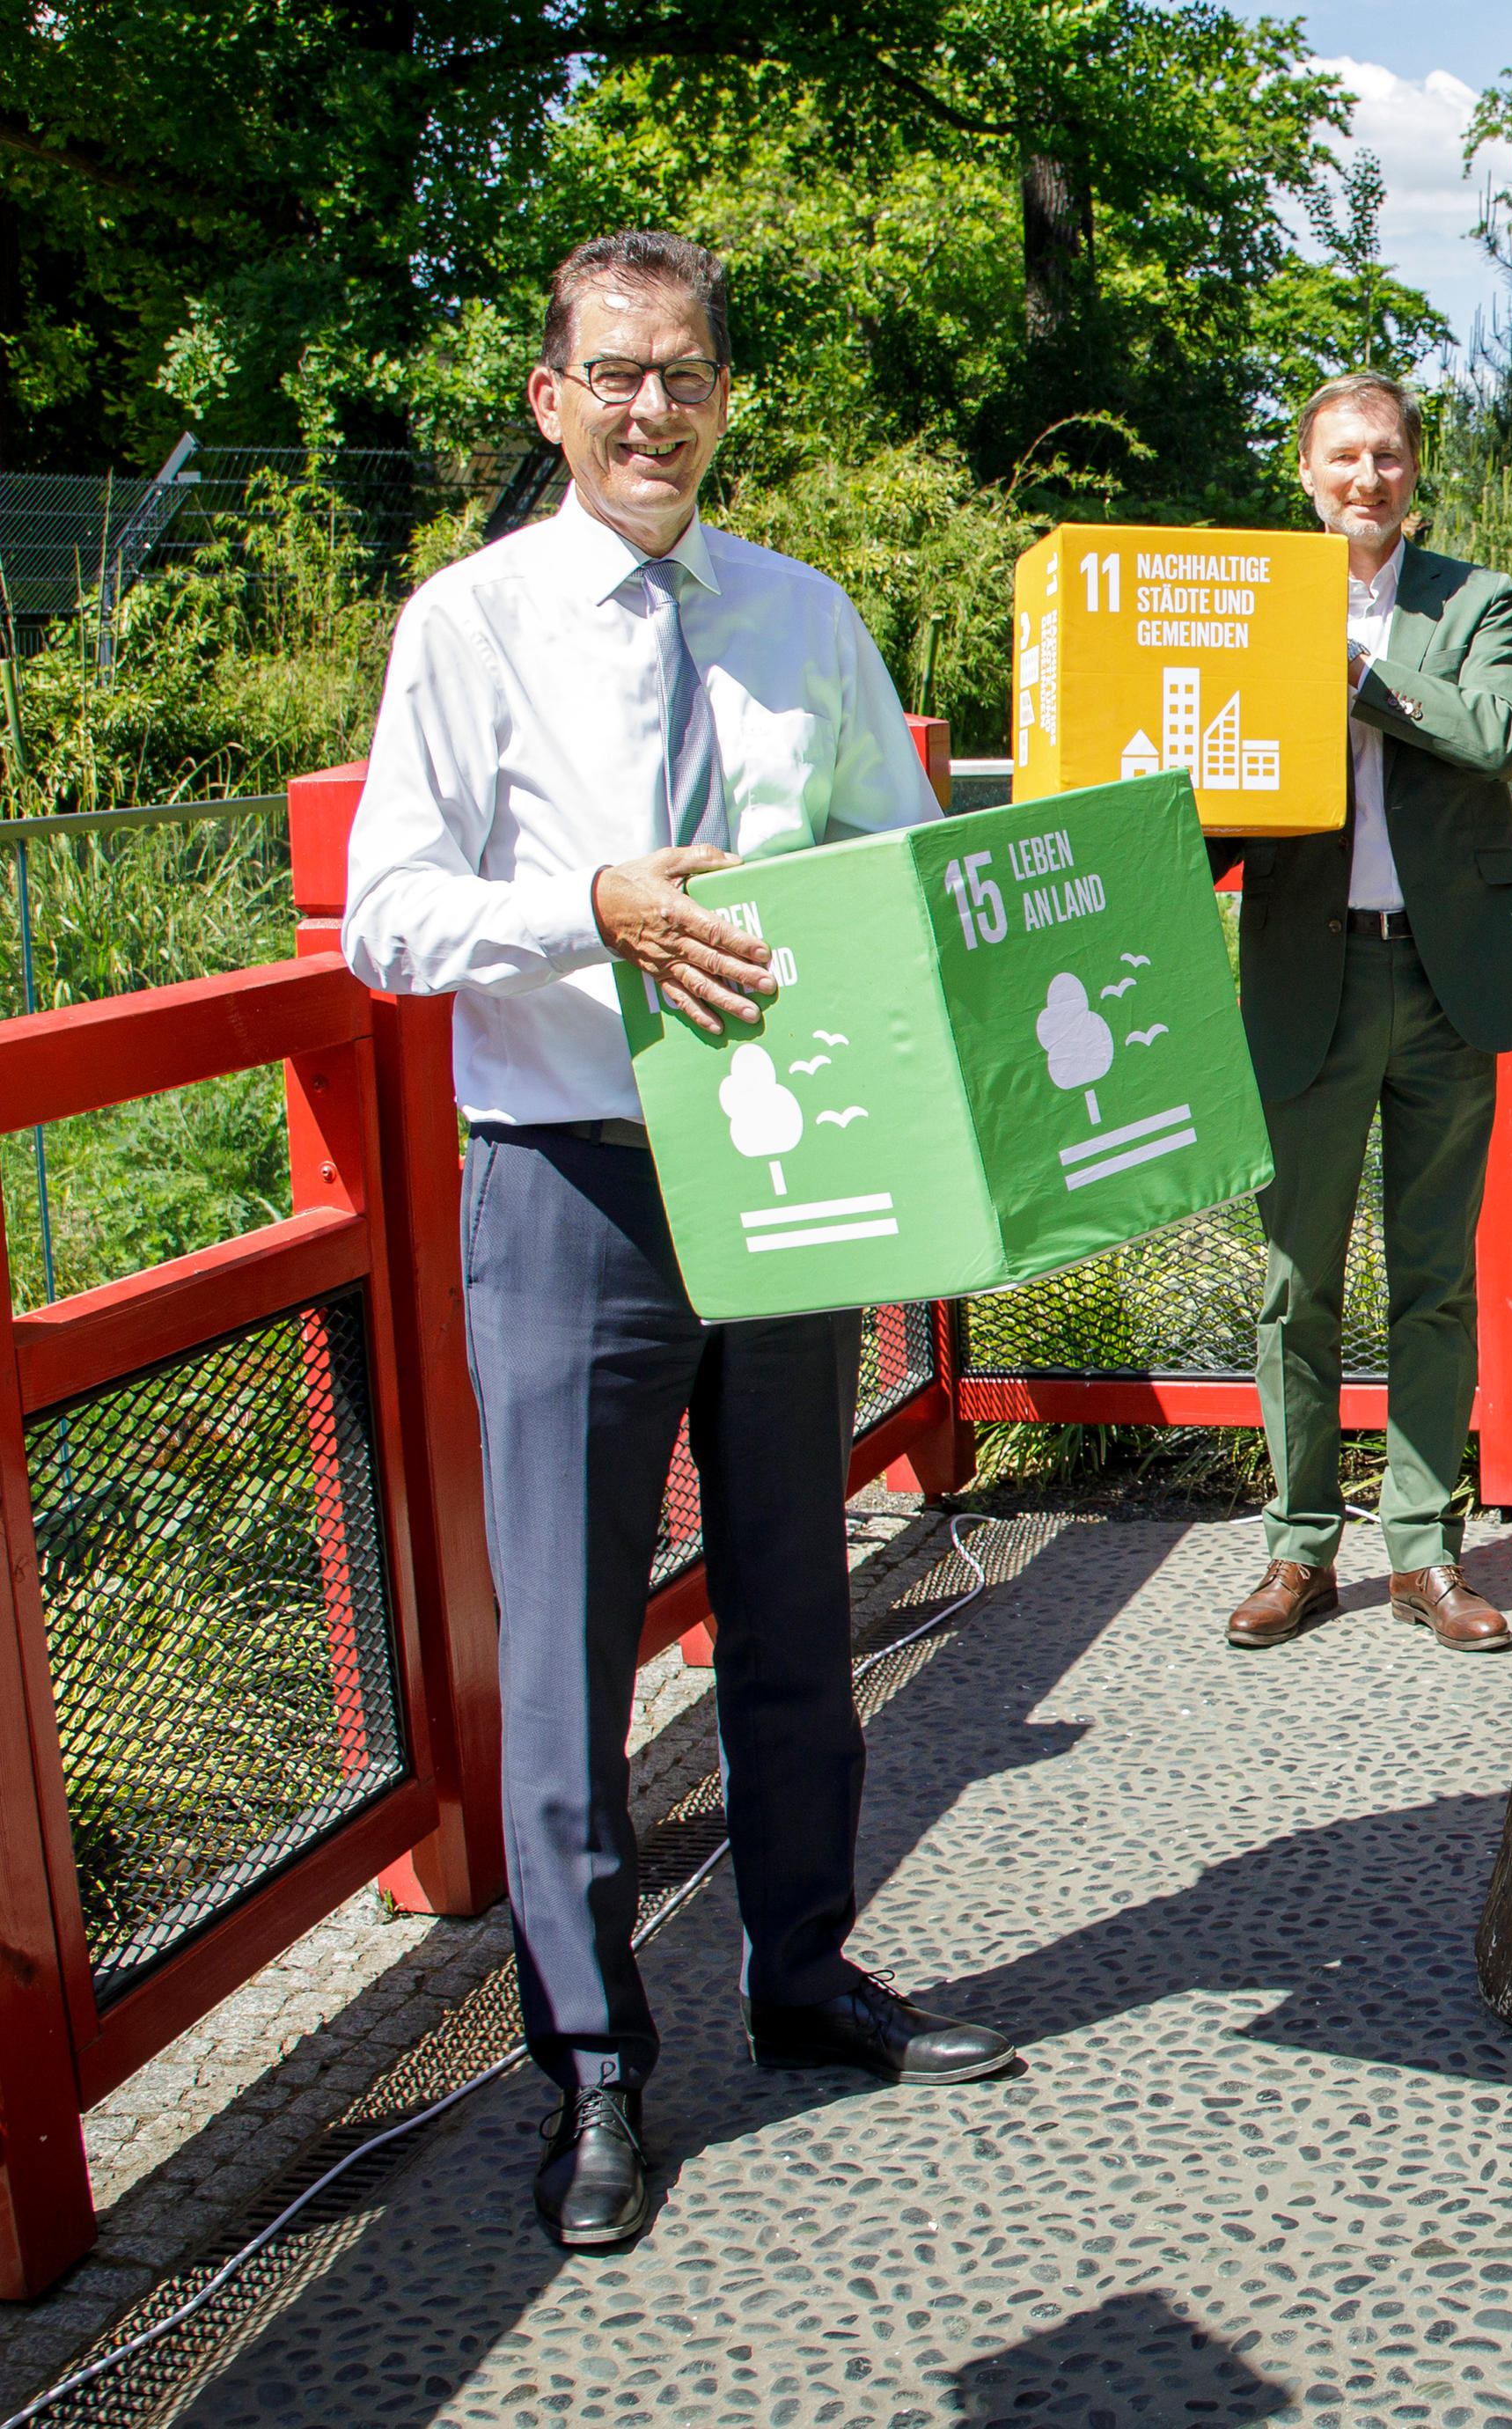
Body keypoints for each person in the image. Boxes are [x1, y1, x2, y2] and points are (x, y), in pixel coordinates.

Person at [342, 230, 1011, 2250]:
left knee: (800, 1607)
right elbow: (385, 916)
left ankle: (801, 1973)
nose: (656, 409)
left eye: (690, 374)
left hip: (791, 1158)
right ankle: (595, 2063)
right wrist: (591, 909)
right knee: (561, 1646)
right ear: (552, 399)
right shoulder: (469, 623)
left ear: (727, 396)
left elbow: (890, 857)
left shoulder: (802, 615)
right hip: (568, 1170)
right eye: (617, 375)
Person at [1212, 373, 1512, 1655]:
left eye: (1388, 458)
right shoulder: (1243, 606)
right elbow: (1209, 777)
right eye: (1343, 458)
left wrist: (1358, 676)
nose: (1366, 478)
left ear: (1416, 472)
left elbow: (1496, 733)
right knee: (1294, 1280)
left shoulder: (1474, 600)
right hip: (1308, 979)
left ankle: (1425, 1550)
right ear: (1303, 473)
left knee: (1434, 1283)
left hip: (1442, 977)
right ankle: (1299, 1548)